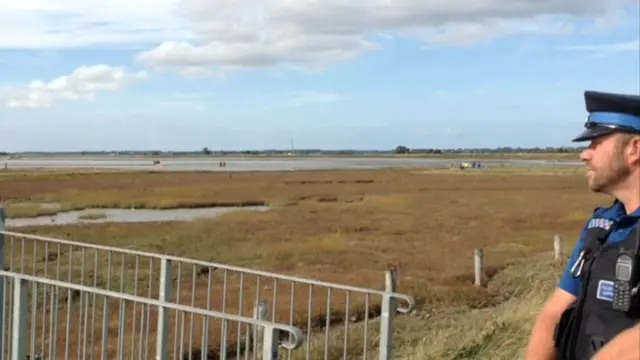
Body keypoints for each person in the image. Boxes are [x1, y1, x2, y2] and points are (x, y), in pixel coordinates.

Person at [524, 90, 640, 360]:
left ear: (635, 149)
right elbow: (556, 310)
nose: (584, 155)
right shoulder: (602, 226)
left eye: (595, 142)